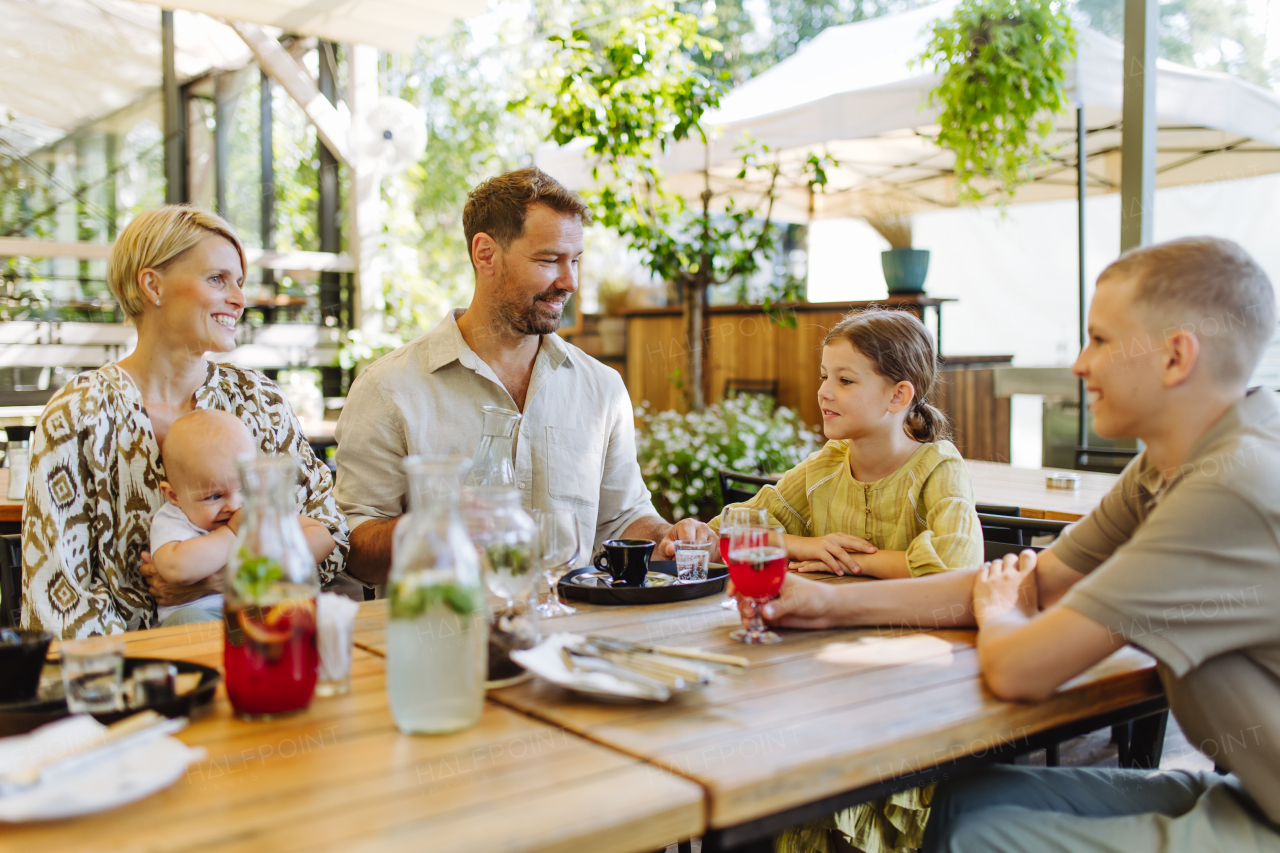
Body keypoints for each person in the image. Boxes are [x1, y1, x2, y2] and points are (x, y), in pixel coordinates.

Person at [754, 237, 1280, 853]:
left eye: (1101, 340)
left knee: (981, 835)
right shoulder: (1167, 465)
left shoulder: (1229, 491)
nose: (1080, 364)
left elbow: (1020, 665)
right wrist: (825, 604)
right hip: (1248, 793)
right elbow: (1037, 580)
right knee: (955, 804)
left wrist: (1001, 611)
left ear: (1174, 357)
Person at [335, 167, 709, 585]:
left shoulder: (602, 388)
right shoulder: (389, 388)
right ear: (485, 254)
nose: (569, 282)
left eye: (576, 261)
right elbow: (352, 546)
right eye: (549, 260)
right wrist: (433, 529)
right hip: (446, 636)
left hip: (570, 637)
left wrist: (666, 536)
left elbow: (621, 518)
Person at [711, 309, 981, 853]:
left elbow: (955, 566)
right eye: (825, 375)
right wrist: (806, 545)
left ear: (898, 396)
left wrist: (856, 561)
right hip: (820, 674)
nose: (824, 391)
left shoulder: (937, 467)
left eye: (845, 379)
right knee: (751, 754)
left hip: (910, 690)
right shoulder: (825, 466)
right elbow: (730, 528)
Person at [22, 206, 349, 638]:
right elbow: (59, 600)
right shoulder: (77, 414)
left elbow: (332, 538)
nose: (239, 298)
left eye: (239, 282)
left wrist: (217, 580)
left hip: (262, 648)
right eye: (217, 279)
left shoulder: (258, 400)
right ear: (152, 285)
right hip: (132, 680)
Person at [150, 409, 338, 626]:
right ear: (174, 496)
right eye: (214, 496)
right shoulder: (173, 519)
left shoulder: (258, 507)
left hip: (261, 612)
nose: (233, 506)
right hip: (204, 618)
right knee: (184, 620)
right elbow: (178, 570)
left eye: (243, 489)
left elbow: (323, 539)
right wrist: (233, 532)